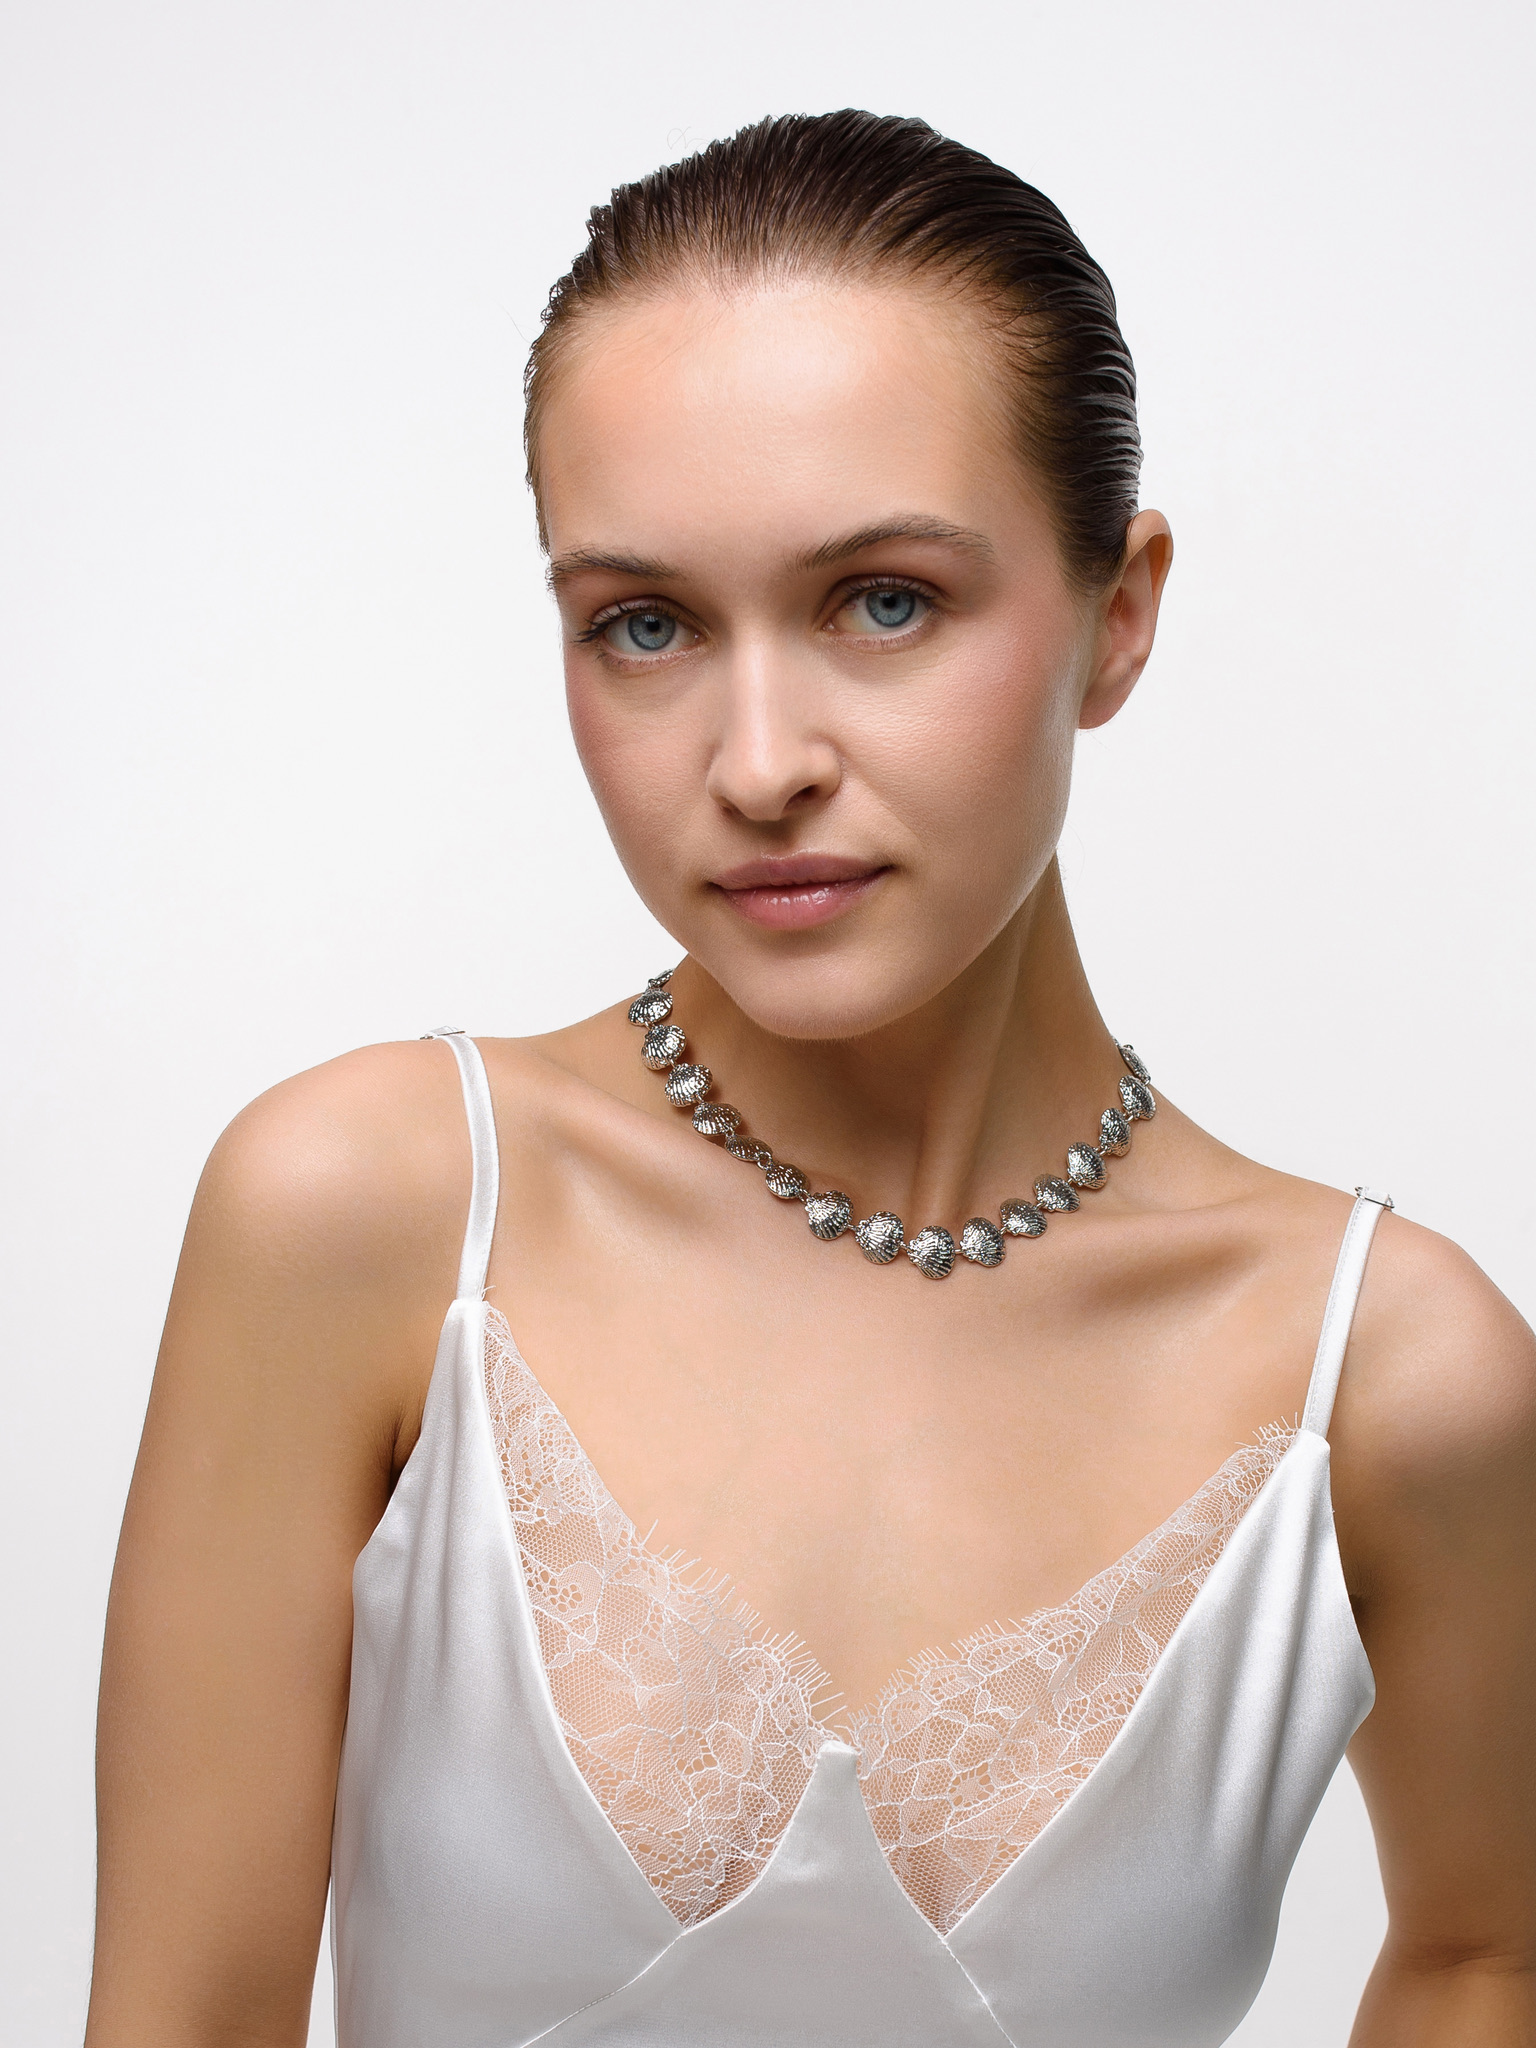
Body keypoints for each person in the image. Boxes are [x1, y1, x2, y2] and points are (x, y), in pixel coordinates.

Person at [87, 111, 1535, 2047]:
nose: (759, 760)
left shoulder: (1393, 1373)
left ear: (1119, 612)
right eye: (646, 626)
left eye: (884, 600)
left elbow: (1488, 1949)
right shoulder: (371, 1218)